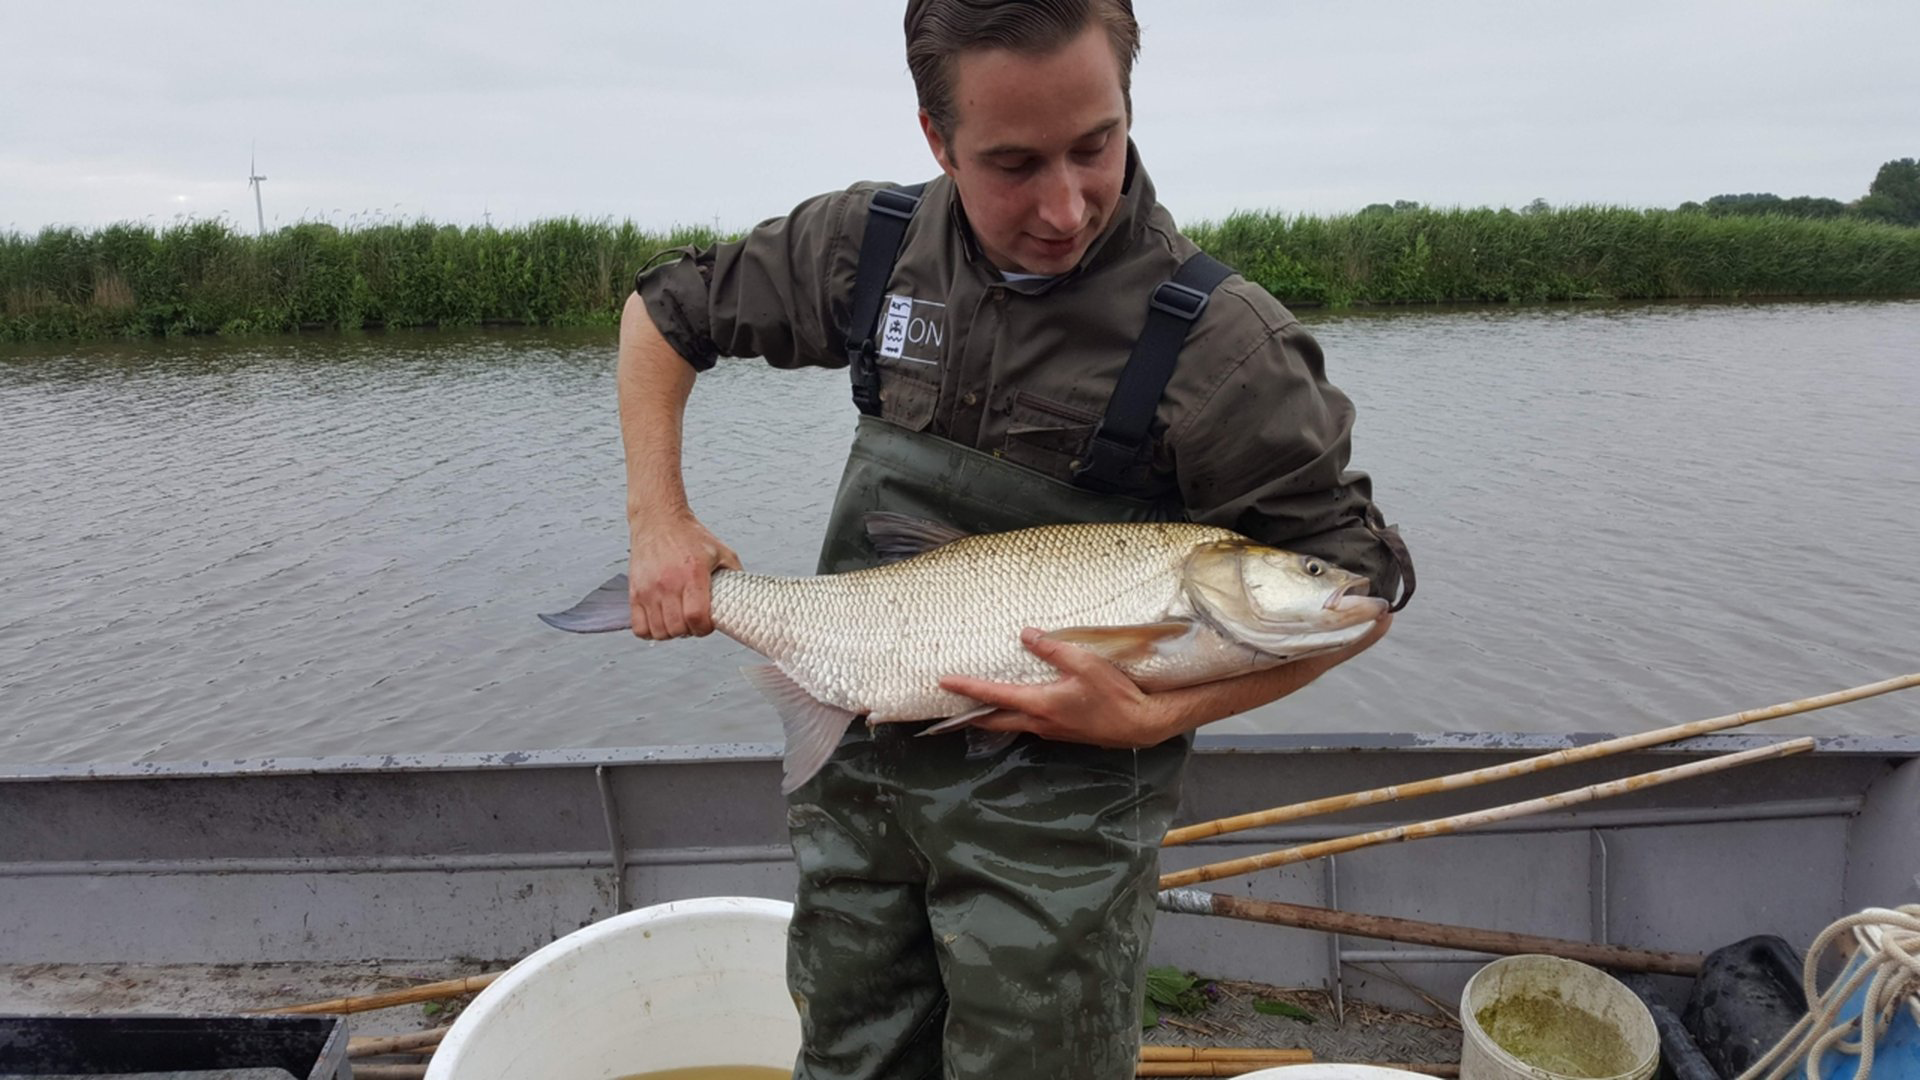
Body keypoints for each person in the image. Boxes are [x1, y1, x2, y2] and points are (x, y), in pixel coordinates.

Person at [618, 2, 1412, 1076]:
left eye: (1097, 144)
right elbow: (666, 311)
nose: (1067, 204)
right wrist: (661, 522)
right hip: (864, 787)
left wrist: (1152, 714)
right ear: (938, 140)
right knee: (851, 1056)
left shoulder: (1225, 349)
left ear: (1129, 101)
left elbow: (1362, 592)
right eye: (1012, 163)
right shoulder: (876, 248)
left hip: (1059, 842)